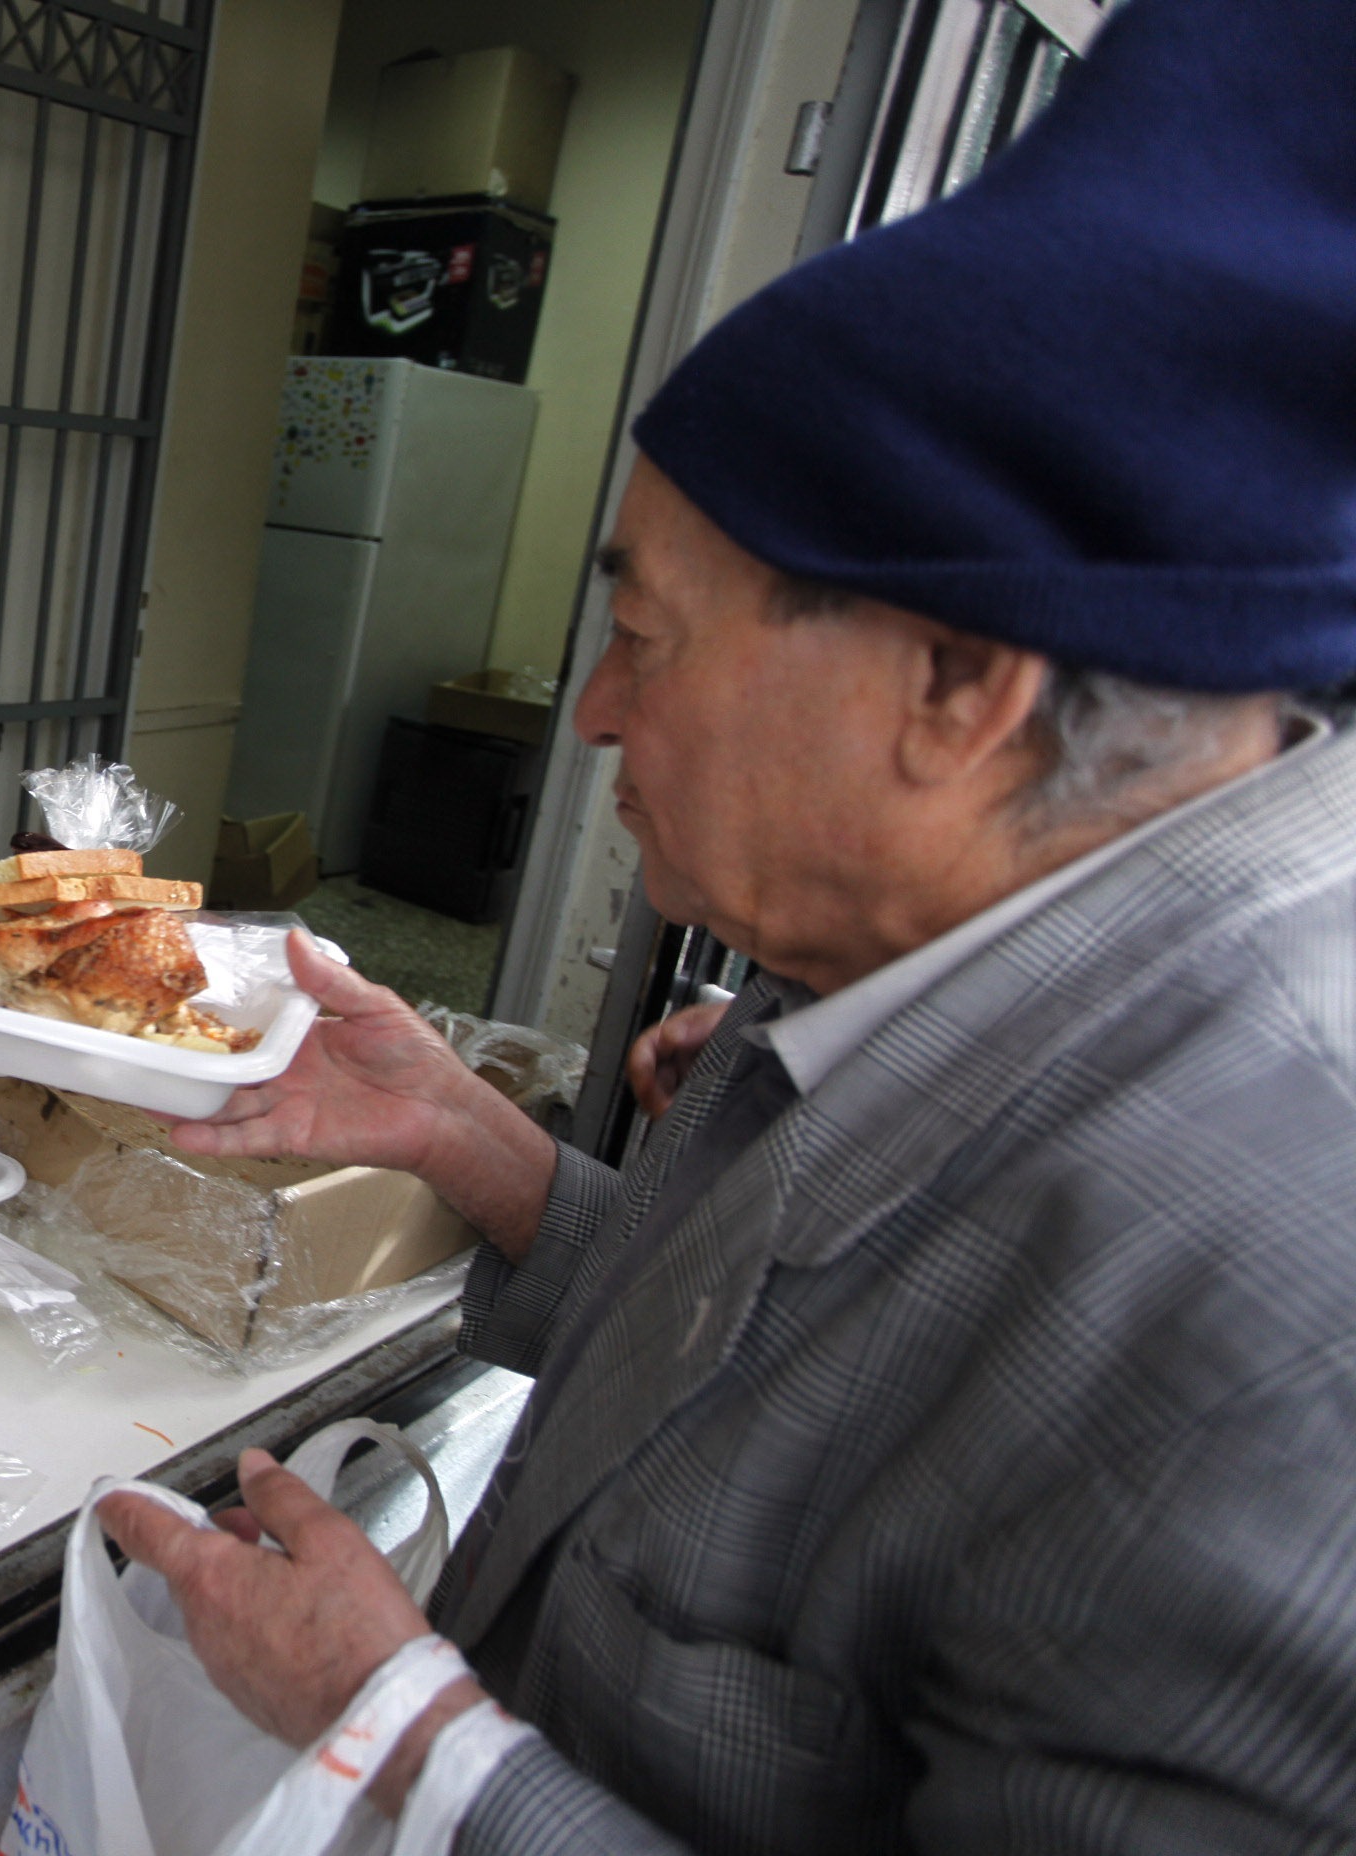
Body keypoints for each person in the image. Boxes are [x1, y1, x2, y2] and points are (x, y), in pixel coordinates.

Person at [101, 0, 1356, 1847]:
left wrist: (405, 1737)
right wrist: (466, 1134)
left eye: (644, 631)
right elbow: (765, 1374)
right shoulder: (922, 971)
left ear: (956, 685)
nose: (591, 712)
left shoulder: (1273, 1337)